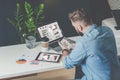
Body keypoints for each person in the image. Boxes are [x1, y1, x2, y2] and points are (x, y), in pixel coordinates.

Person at [58, 8, 120, 80]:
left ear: (79, 27)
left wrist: (65, 50)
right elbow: (95, 47)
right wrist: (77, 47)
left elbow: (67, 64)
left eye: (74, 27)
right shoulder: (107, 30)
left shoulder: (83, 43)